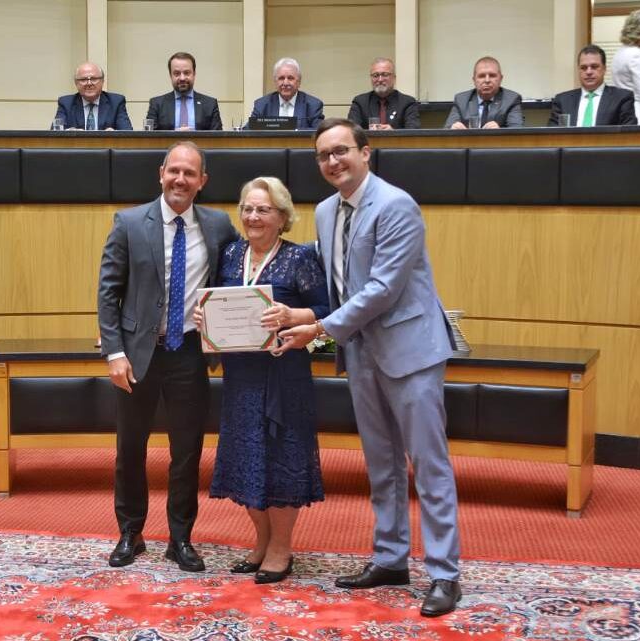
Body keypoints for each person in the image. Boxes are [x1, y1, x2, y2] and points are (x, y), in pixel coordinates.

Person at [278, 118, 461, 618]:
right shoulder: (322, 211)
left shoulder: (397, 205)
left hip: (410, 352)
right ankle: (390, 557)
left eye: (342, 151)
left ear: (365, 152)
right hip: (360, 352)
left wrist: (316, 328)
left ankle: (445, 574)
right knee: (381, 465)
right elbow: (332, 280)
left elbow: (382, 289)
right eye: (323, 156)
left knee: (428, 464)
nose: (333, 162)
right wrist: (299, 310)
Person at [98, 141, 238, 572]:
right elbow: (108, 293)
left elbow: (231, 285)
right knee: (131, 448)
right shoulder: (129, 222)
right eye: (174, 171)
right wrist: (115, 353)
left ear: (202, 182)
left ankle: (181, 538)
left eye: (190, 173)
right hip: (139, 355)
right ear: (161, 173)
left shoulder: (219, 226)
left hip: (190, 354)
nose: (180, 179)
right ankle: (130, 532)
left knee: (187, 452)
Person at [195, 177, 328, 584]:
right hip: (242, 377)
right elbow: (217, 301)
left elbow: (326, 309)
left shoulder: (300, 258)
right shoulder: (230, 254)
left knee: (282, 459)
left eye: (264, 209)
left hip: (284, 376)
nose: (254, 217)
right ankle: (262, 540)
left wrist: (293, 315)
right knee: (247, 458)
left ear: (283, 217)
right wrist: (205, 318)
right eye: (248, 209)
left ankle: (281, 547)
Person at [549, 45, 636, 127]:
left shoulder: (621, 98)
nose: (589, 72)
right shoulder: (563, 101)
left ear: (604, 69)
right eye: (583, 68)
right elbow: (552, 135)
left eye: (594, 67)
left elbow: (628, 135)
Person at [146, 52, 222, 130]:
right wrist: (175, 134)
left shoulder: (210, 104)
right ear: (170, 75)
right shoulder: (156, 104)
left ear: (194, 74)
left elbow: (218, 139)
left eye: (187, 73)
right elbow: (148, 138)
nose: (182, 78)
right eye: (177, 73)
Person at [445, 56, 523, 129]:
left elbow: (517, 131)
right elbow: (447, 130)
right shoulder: (461, 100)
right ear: (474, 80)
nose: (487, 80)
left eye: (492, 75)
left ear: (500, 79)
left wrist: (500, 131)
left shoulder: (511, 99)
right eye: (481, 76)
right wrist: (453, 129)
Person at [53, 61, 133, 130]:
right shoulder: (66, 103)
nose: (89, 83)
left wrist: (114, 134)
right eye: (83, 79)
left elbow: (127, 134)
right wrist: (68, 133)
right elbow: (54, 134)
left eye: (94, 79)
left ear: (102, 81)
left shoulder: (116, 102)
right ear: (76, 83)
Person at [247, 58, 324, 129]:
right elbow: (248, 130)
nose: (285, 83)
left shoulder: (313, 105)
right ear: (275, 82)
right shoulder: (262, 105)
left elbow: (319, 133)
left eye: (290, 78)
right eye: (281, 78)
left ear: (299, 82)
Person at [347, 58, 420, 130]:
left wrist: (393, 134)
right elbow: (352, 131)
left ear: (394, 78)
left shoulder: (407, 102)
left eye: (385, 75)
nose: (380, 79)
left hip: (396, 142)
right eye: (375, 75)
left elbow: (413, 132)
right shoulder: (360, 102)